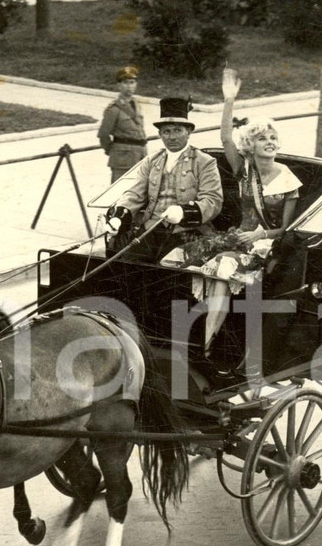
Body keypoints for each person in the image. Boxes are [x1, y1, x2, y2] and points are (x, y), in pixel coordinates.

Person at [176, 67, 302, 360]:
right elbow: (225, 139)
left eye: (273, 137)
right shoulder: (245, 170)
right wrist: (229, 100)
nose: (269, 141)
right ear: (251, 145)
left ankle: (205, 346)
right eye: (261, 138)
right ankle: (181, 332)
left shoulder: (288, 180)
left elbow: (286, 229)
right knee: (177, 257)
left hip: (265, 247)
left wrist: (260, 234)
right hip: (235, 240)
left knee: (222, 270)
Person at [104, 96, 223, 265]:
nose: (172, 137)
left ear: (188, 132)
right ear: (160, 134)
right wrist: (119, 215)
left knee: (168, 272)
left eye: (177, 130)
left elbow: (213, 201)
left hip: (187, 232)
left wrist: (184, 212)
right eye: (167, 131)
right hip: (150, 228)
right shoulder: (152, 160)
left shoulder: (205, 161)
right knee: (128, 266)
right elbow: (135, 193)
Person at [98, 66, 147, 183]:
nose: (129, 86)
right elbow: (103, 134)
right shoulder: (114, 109)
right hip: (122, 159)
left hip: (140, 155)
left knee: (139, 194)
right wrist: (113, 150)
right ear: (119, 86)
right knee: (120, 193)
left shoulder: (136, 104)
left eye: (132, 82)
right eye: (125, 83)